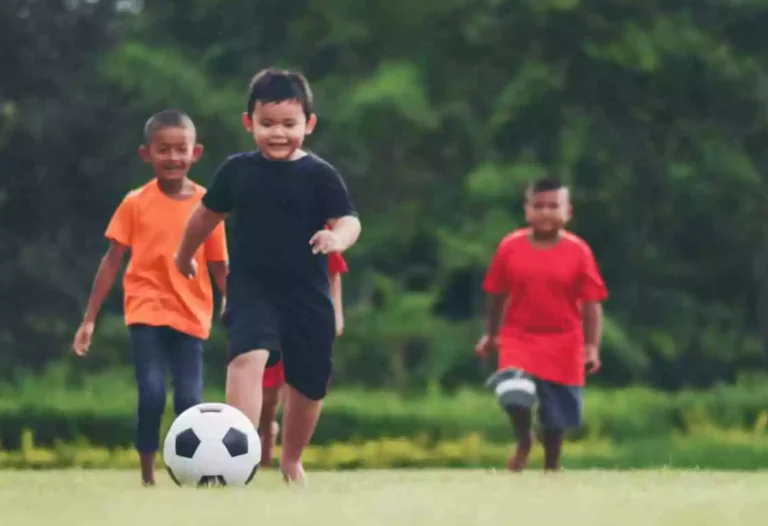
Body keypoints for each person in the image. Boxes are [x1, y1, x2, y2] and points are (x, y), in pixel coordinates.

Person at [174, 67, 361, 485]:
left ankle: (291, 460)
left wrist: (338, 239)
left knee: (310, 386)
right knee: (247, 358)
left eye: (289, 124)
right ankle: (235, 460)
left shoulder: (320, 175)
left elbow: (349, 220)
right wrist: (184, 255)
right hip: (251, 288)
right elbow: (204, 218)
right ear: (249, 123)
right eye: (267, 124)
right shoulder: (237, 171)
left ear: (309, 125)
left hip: (308, 294)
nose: (279, 133)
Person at [71, 109, 229, 486]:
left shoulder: (209, 205)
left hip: (192, 315)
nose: (173, 157)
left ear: (196, 153)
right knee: (153, 393)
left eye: (180, 149)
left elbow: (220, 263)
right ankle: (147, 475)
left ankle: (190, 470)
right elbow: (111, 262)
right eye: (163, 149)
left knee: (190, 400)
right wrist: (89, 318)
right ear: (147, 154)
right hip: (145, 312)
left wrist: (231, 302)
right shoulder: (134, 203)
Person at [475, 177, 607, 472]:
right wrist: (491, 334)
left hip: (564, 341)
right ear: (527, 210)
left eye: (553, 206)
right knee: (513, 392)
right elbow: (495, 295)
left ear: (567, 211)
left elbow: (591, 304)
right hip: (519, 337)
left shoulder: (579, 251)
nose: (545, 213)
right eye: (538, 206)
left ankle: (552, 467)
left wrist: (591, 347)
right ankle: (524, 439)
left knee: (556, 415)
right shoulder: (510, 247)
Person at [259, 249, 348, 467]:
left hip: (307, 316)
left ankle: (289, 454)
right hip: (271, 316)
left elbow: (334, 273)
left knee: (298, 385)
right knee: (267, 396)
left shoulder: (316, 226)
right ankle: (267, 432)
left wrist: (336, 312)